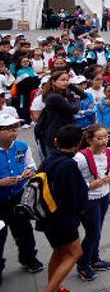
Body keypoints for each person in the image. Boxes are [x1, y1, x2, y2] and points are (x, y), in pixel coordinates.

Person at [39, 124, 89, 292]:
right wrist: (82, 210)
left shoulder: (48, 160)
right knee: (75, 253)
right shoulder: (68, 165)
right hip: (61, 219)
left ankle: (54, 286)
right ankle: (49, 290)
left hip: (46, 215)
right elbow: (77, 194)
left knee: (59, 252)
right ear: (78, 145)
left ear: (55, 141)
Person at [0, 114, 43, 285]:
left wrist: (29, 172)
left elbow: (31, 164)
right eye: (9, 129)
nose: (14, 132)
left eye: (16, 128)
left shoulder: (22, 147)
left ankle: (29, 258)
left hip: (18, 197)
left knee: (24, 230)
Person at [73, 125, 110, 281]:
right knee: (93, 232)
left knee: (98, 228)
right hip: (89, 199)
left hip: (104, 194)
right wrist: (90, 185)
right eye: (100, 138)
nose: (104, 141)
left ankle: (94, 258)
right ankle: (83, 265)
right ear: (89, 139)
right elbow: (73, 180)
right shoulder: (80, 157)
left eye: (106, 137)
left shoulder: (109, 152)